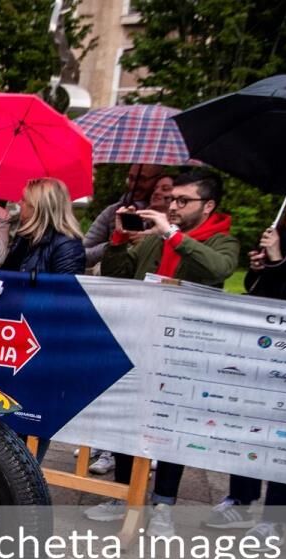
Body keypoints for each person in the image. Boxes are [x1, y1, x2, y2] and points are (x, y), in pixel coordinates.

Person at [87, 169, 240, 538]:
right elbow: (119, 275)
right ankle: (124, 494)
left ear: (208, 206)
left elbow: (219, 268)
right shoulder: (155, 240)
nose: (173, 206)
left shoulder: (222, 241)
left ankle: (163, 505)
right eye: (172, 199)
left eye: (183, 201)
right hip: (143, 340)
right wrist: (119, 241)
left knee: (173, 428)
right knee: (129, 419)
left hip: (187, 348)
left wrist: (173, 235)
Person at [204, 182, 286, 559]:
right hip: (263, 352)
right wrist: (262, 268)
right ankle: (241, 497)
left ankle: (275, 517)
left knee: (283, 435)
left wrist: (279, 262)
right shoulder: (278, 236)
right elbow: (256, 291)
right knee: (248, 424)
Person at [0, 178, 86, 276]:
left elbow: (65, 285)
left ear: (38, 208)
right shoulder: (24, 236)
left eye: (23, 199)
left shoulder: (67, 246)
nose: (19, 203)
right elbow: (6, 275)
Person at [84, 164, 164, 268]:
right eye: (131, 178)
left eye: (142, 179)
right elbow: (83, 253)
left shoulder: (170, 215)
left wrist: (151, 239)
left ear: (158, 179)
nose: (134, 184)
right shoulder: (113, 211)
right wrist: (114, 246)